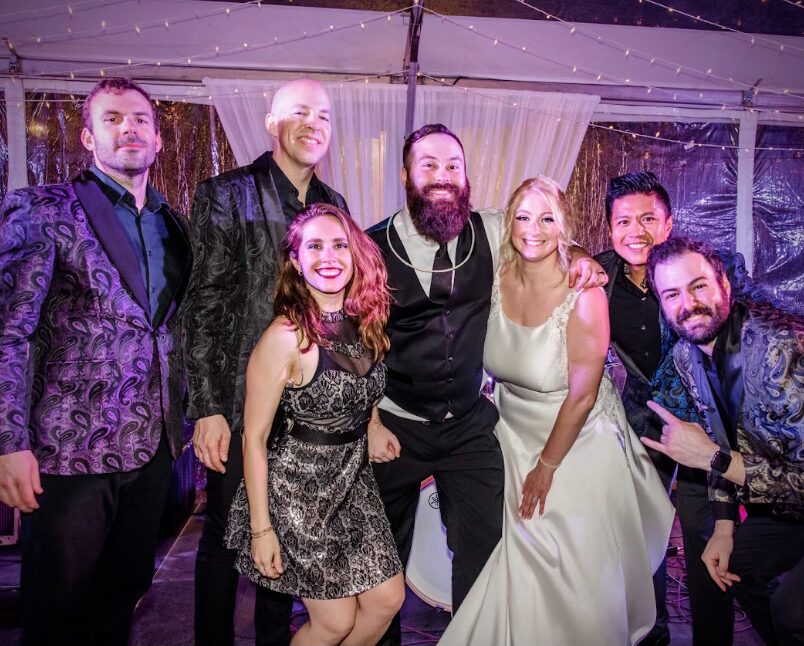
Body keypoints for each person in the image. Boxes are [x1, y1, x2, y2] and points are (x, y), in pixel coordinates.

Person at [366, 124, 607, 646]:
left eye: (453, 166)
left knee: (483, 550)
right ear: (405, 175)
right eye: (429, 165)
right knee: (382, 559)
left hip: (468, 425)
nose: (443, 176)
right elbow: (350, 343)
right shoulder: (371, 247)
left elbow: (545, 231)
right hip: (395, 424)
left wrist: (585, 257)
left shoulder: (493, 229)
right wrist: (370, 422)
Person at [436, 176, 674, 645]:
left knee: (564, 568)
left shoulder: (585, 292)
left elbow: (582, 395)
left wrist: (546, 468)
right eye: (523, 217)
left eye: (547, 218)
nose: (533, 229)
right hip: (510, 436)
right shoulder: (494, 275)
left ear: (564, 225)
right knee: (515, 566)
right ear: (509, 223)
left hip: (576, 441)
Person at [0, 78, 191, 646]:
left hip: (154, 448)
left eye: (140, 119)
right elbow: (10, 332)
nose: (128, 128)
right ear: (87, 137)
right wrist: (8, 442)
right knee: (55, 611)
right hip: (67, 449)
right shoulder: (41, 208)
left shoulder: (173, 224)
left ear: (158, 140)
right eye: (112, 118)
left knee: (121, 596)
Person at [183, 79, 349, 646]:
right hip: (238, 403)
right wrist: (206, 407)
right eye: (299, 111)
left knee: (285, 535)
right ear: (272, 123)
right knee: (225, 541)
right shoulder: (226, 193)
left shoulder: (334, 205)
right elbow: (202, 303)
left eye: (323, 115)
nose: (312, 123)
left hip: (306, 407)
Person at [223, 203, 404, 646]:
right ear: (297, 261)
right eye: (315, 246)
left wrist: (374, 424)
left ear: (355, 254)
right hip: (298, 493)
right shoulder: (285, 337)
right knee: (335, 622)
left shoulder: (365, 323)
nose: (329, 257)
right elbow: (254, 439)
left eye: (340, 245)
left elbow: (362, 387)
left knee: (387, 600)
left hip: (354, 482)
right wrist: (262, 530)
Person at [596, 171, 735, 646]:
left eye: (648, 219)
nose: (636, 231)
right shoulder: (598, 275)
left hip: (705, 419)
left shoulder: (693, 271)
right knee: (641, 530)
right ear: (610, 229)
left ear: (669, 223)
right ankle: (650, 633)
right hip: (641, 421)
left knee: (704, 530)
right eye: (623, 221)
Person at [643, 236, 804, 646]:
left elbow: (717, 454)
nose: (689, 304)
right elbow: (718, 438)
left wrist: (715, 459)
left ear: (724, 285)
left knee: (792, 610)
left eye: (699, 286)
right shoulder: (686, 356)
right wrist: (725, 525)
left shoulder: (782, 346)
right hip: (786, 510)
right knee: (738, 566)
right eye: (672, 294)